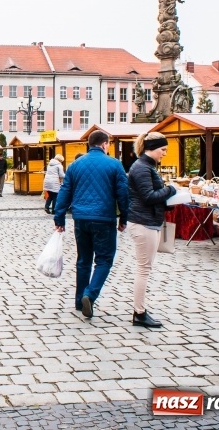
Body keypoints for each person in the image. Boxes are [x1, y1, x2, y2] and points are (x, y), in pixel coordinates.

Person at [54, 130, 129, 319]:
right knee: (104, 259)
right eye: (109, 144)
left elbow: (64, 192)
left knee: (83, 260)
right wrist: (124, 218)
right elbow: (123, 194)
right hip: (104, 218)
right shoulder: (114, 164)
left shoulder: (75, 165)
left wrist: (59, 218)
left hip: (81, 218)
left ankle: (80, 300)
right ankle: (90, 293)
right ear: (104, 144)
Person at [126, 132, 177, 328]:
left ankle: (140, 310)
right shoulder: (142, 168)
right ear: (152, 148)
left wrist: (167, 201)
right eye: (162, 149)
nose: (164, 153)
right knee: (143, 269)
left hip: (148, 221)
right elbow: (148, 196)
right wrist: (171, 190)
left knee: (144, 268)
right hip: (143, 222)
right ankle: (139, 312)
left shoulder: (145, 166)